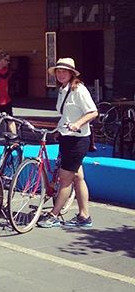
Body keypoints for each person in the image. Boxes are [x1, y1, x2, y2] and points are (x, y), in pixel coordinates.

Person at [38, 58, 98, 228]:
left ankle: (54, 215)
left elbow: (93, 112)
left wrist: (77, 124)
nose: (60, 74)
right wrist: (59, 130)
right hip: (67, 138)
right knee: (78, 178)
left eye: (64, 71)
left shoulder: (79, 89)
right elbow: (66, 115)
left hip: (78, 140)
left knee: (65, 179)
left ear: (72, 73)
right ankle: (84, 216)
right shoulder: (63, 90)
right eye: (58, 71)